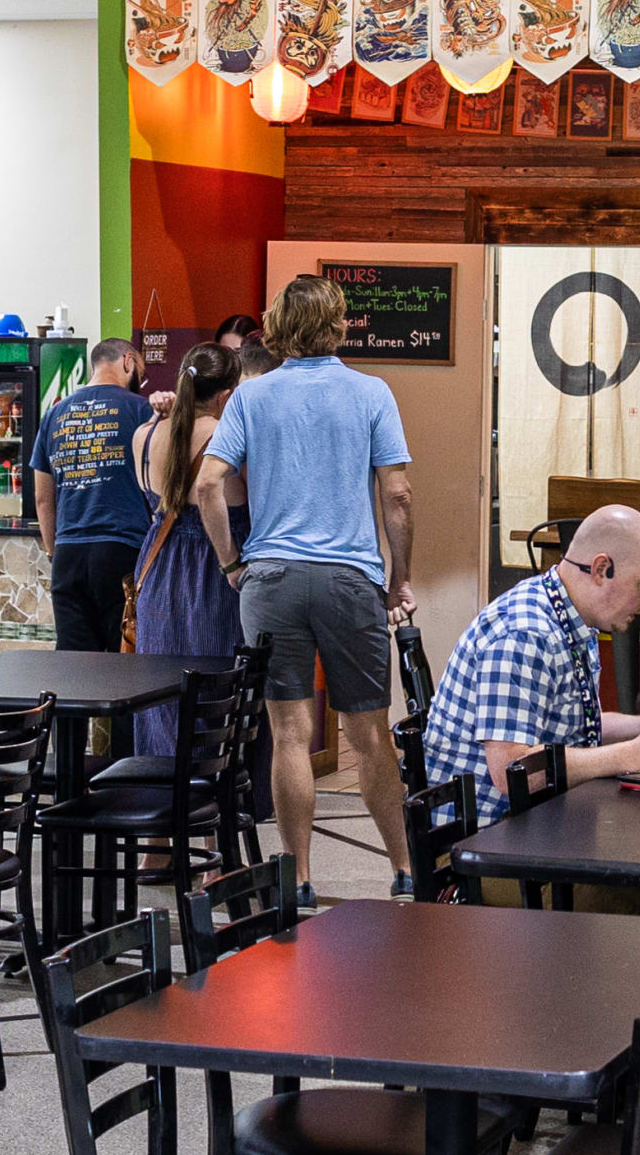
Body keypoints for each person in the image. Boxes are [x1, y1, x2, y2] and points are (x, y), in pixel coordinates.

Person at [199, 274, 416, 901]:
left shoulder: (251, 397)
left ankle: (296, 878)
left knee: (290, 735)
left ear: (277, 326)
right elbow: (396, 494)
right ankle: (403, 870)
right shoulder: (372, 393)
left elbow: (209, 485)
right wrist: (399, 579)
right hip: (352, 580)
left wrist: (231, 564)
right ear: (339, 321)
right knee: (370, 733)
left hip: (270, 580)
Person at [421, 505, 640, 822]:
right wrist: (634, 754)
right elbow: (513, 772)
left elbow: (577, 728)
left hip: (532, 819)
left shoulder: (569, 617)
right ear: (601, 569)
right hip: (486, 833)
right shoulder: (527, 634)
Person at [121, 346, 245, 773]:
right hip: (216, 569)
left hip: (157, 568)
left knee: (159, 695)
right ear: (228, 394)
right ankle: (208, 813)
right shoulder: (230, 438)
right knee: (215, 690)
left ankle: (157, 815)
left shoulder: (144, 435)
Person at [33, 337, 156, 654]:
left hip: (68, 556)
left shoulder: (54, 415)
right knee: (123, 660)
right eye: (139, 371)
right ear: (127, 361)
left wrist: (53, 552)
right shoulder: (140, 410)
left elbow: (43, 499)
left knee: (74, 666)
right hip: (121, 551)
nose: (140, 381)